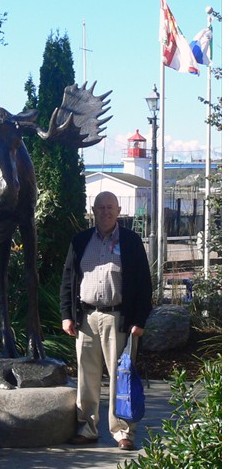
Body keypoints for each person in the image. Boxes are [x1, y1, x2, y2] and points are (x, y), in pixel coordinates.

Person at [60, 191, 153, 450]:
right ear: (93, 210)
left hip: (119, 318)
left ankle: (123, 432)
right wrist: (67, 315)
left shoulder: (131, 242)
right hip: (86, 319)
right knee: (86, 378)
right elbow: (68, 280)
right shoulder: (80, 241)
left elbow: (145, 284)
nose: (105, 212)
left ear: (119, 210)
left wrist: (139, 320)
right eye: (100, 207)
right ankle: (87, 428)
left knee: (119, 377)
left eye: (110, 207)